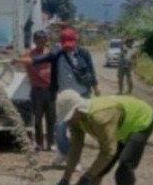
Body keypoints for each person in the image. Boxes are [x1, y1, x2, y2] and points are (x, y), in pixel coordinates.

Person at [53, 90, 153, 185]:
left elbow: (108, 151)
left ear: (77, 109)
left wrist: (88, 176)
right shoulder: (76, 121)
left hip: (140, 120)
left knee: (124, 167)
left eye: (69, 116)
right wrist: (66, 178)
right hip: (119, 127)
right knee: (102, 165)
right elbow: (75, 147)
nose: (68, 120)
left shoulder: (101, 118)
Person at [13, 27, 100, 166]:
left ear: (75, 41)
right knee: (59, 128)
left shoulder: (84, 53)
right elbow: (37, 60)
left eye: (70, 46)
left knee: (77, 130)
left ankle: (75, 160)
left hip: (83, 96)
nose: (68, 49)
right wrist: (17, 60)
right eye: (65, 46)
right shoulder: (56, 54)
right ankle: (63, 153)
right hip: (65, 98)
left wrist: (96, 89)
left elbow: (91, 72)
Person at [23, 30, 55, 151]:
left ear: (46, 41)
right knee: (37, 119)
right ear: (34, 41)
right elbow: (16, 57)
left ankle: (51, 143)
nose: (42, 43)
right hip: (36, 91)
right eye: (39, 41)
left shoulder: (51, 53)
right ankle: (39, 143)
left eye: (44, 40)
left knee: (51, 119)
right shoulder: (29, 54)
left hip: (50, 90)